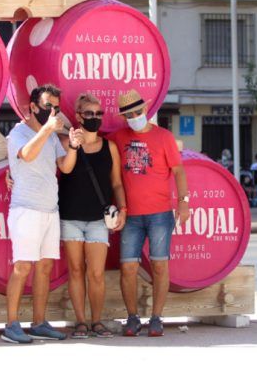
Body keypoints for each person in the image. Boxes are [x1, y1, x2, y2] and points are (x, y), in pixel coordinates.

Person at [2, 84, 82, 344]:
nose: (53, 111)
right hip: (25, 209)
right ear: (33, 107)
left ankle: (38, 322)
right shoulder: (18, 133)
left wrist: (72, 146)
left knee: (45, 268)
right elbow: (26, 155)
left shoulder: (51, 136)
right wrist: (48, 128)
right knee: (22, 267)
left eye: (56, 107)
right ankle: (11, 325)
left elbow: (65, 168)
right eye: (48, 106)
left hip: (50, 210)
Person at [110, 89, 190, 337]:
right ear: (123, 117)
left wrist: (183, 202)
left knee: (159, 266)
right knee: (128, 269)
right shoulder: (117, 138)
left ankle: (157, 318)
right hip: (130, 215)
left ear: (145, 110)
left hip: (160, 214)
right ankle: (132, 318)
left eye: (137, 111)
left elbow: (178, 171)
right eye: (128, 114)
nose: (134, 117)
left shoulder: (164, 137)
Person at [58, 93, 127, 339]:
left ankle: (97, 321)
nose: (95, 118)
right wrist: (75, 145)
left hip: (98, 219)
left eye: (99, 114)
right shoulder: (66, 142)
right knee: (75, 271)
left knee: (96, 273)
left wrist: (123, 209)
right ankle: (80, 322)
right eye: (89, 114)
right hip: (70, 216)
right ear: (78, 116)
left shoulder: (110, 147)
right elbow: (64, 168)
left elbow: (117, 184)